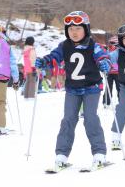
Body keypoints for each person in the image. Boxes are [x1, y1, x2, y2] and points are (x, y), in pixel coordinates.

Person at [35, 11, 110, 170]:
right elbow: (54, 57)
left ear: (86, 29)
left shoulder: (92, 45)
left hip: (92, 87)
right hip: (73, 89)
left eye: (77, 29)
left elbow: (103, 56)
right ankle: (61, 155)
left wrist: (105, 63)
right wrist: (44, 61)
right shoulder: (64, 46)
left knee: (90, 118)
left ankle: (99, 153)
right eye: (70, 29)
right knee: (68, 119)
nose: (74, 33)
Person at [102, 35, 120, 108]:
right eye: (111, 43)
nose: (112, 45)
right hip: (109, 72)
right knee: (108, 87)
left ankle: (122, 101)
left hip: (117, 72)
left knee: (119, 87)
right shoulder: (107, 50)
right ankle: (106, 101)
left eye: (114, 43)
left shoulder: (119, 51)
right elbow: (105, 60)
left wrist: (115, 67)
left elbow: (119, 61)